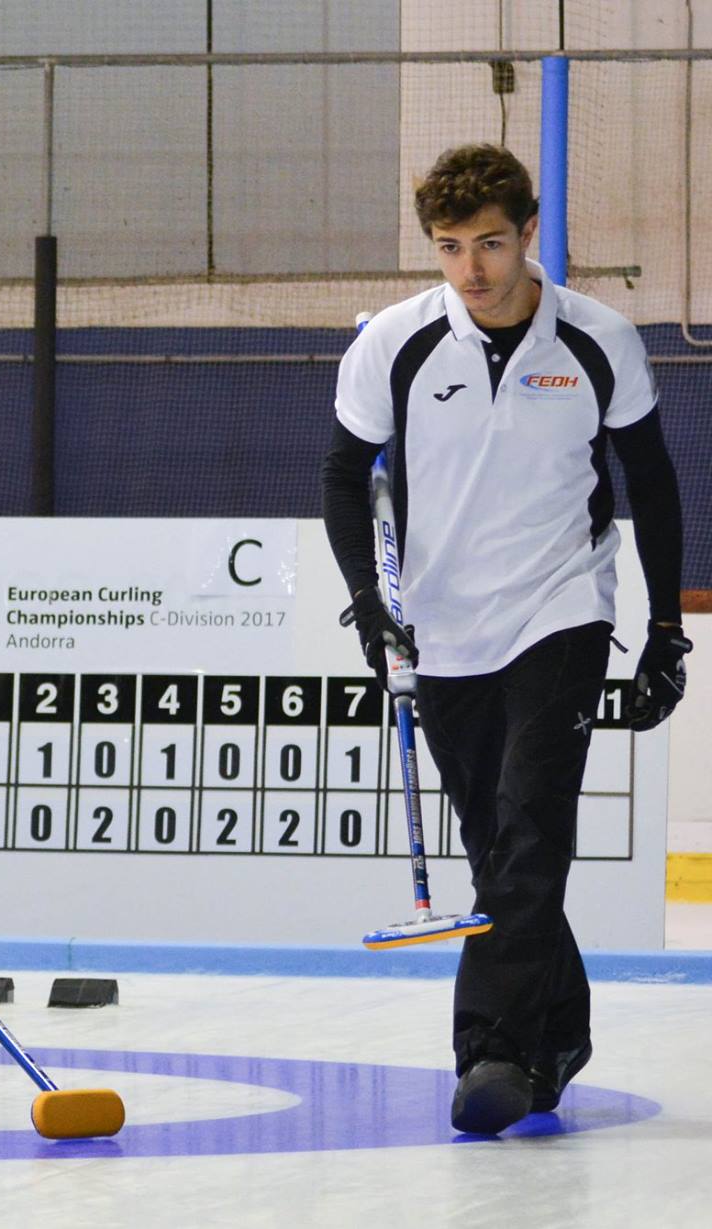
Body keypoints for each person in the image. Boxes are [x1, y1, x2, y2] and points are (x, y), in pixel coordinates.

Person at [321, 144, 687, 1135]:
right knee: (498, 848)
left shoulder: (595, 338)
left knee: (529, 834)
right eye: (448, 247)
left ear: (527, 232)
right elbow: (341, 476)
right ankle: (555, 1035)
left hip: (557, 611)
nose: (470, 268)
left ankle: (488, 1046)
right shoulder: (393, 344)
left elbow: (648, 482)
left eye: (488, 242)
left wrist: (660, 629)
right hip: (441, 628)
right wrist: (369, 601)